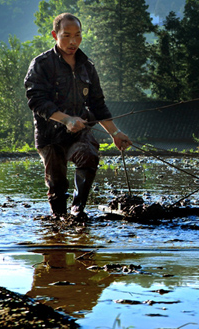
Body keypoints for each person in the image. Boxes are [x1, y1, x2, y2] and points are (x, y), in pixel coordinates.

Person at [24, 13, 132, 219]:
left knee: (89, 156)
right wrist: (66, 119)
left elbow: (98, 105)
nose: (73, 41)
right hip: (50, 135)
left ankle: (78, 210)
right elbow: (37, 101)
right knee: (57, 187)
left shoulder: (87, 67)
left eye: (78, 35)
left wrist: (116, 133)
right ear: (55, 35)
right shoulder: (41, 64)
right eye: (66, 36)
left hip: (79, 133)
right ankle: (58, 225)